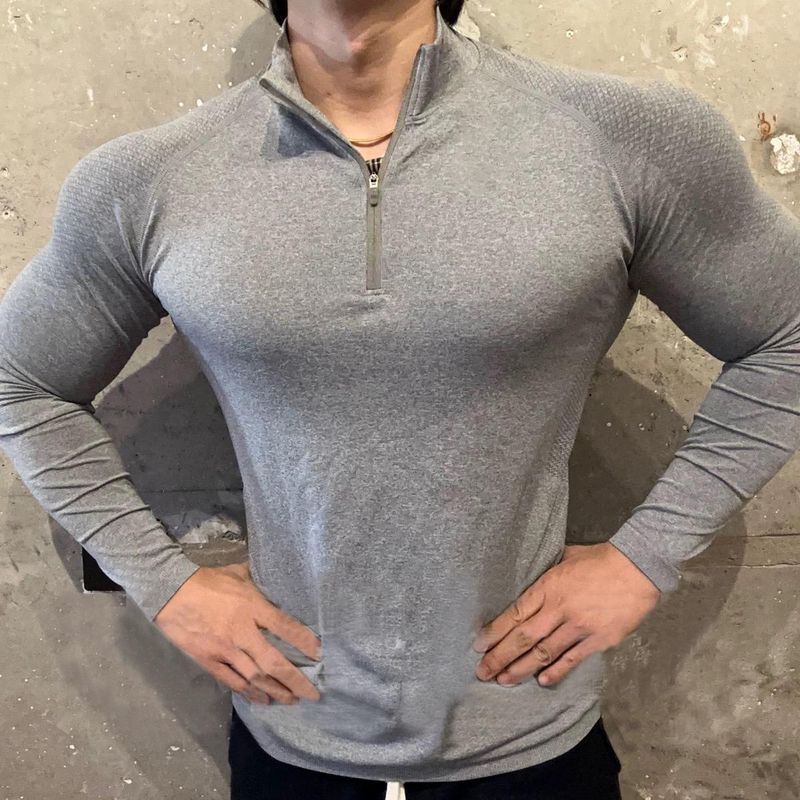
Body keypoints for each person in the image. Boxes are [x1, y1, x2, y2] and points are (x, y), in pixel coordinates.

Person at [0, 0, 798, 798]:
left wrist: (644, 557)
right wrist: (163, 585)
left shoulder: (624, 139)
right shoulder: (150, 179)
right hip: (291, 739)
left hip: (532, 741)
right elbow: (21, 382)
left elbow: (787, 333)